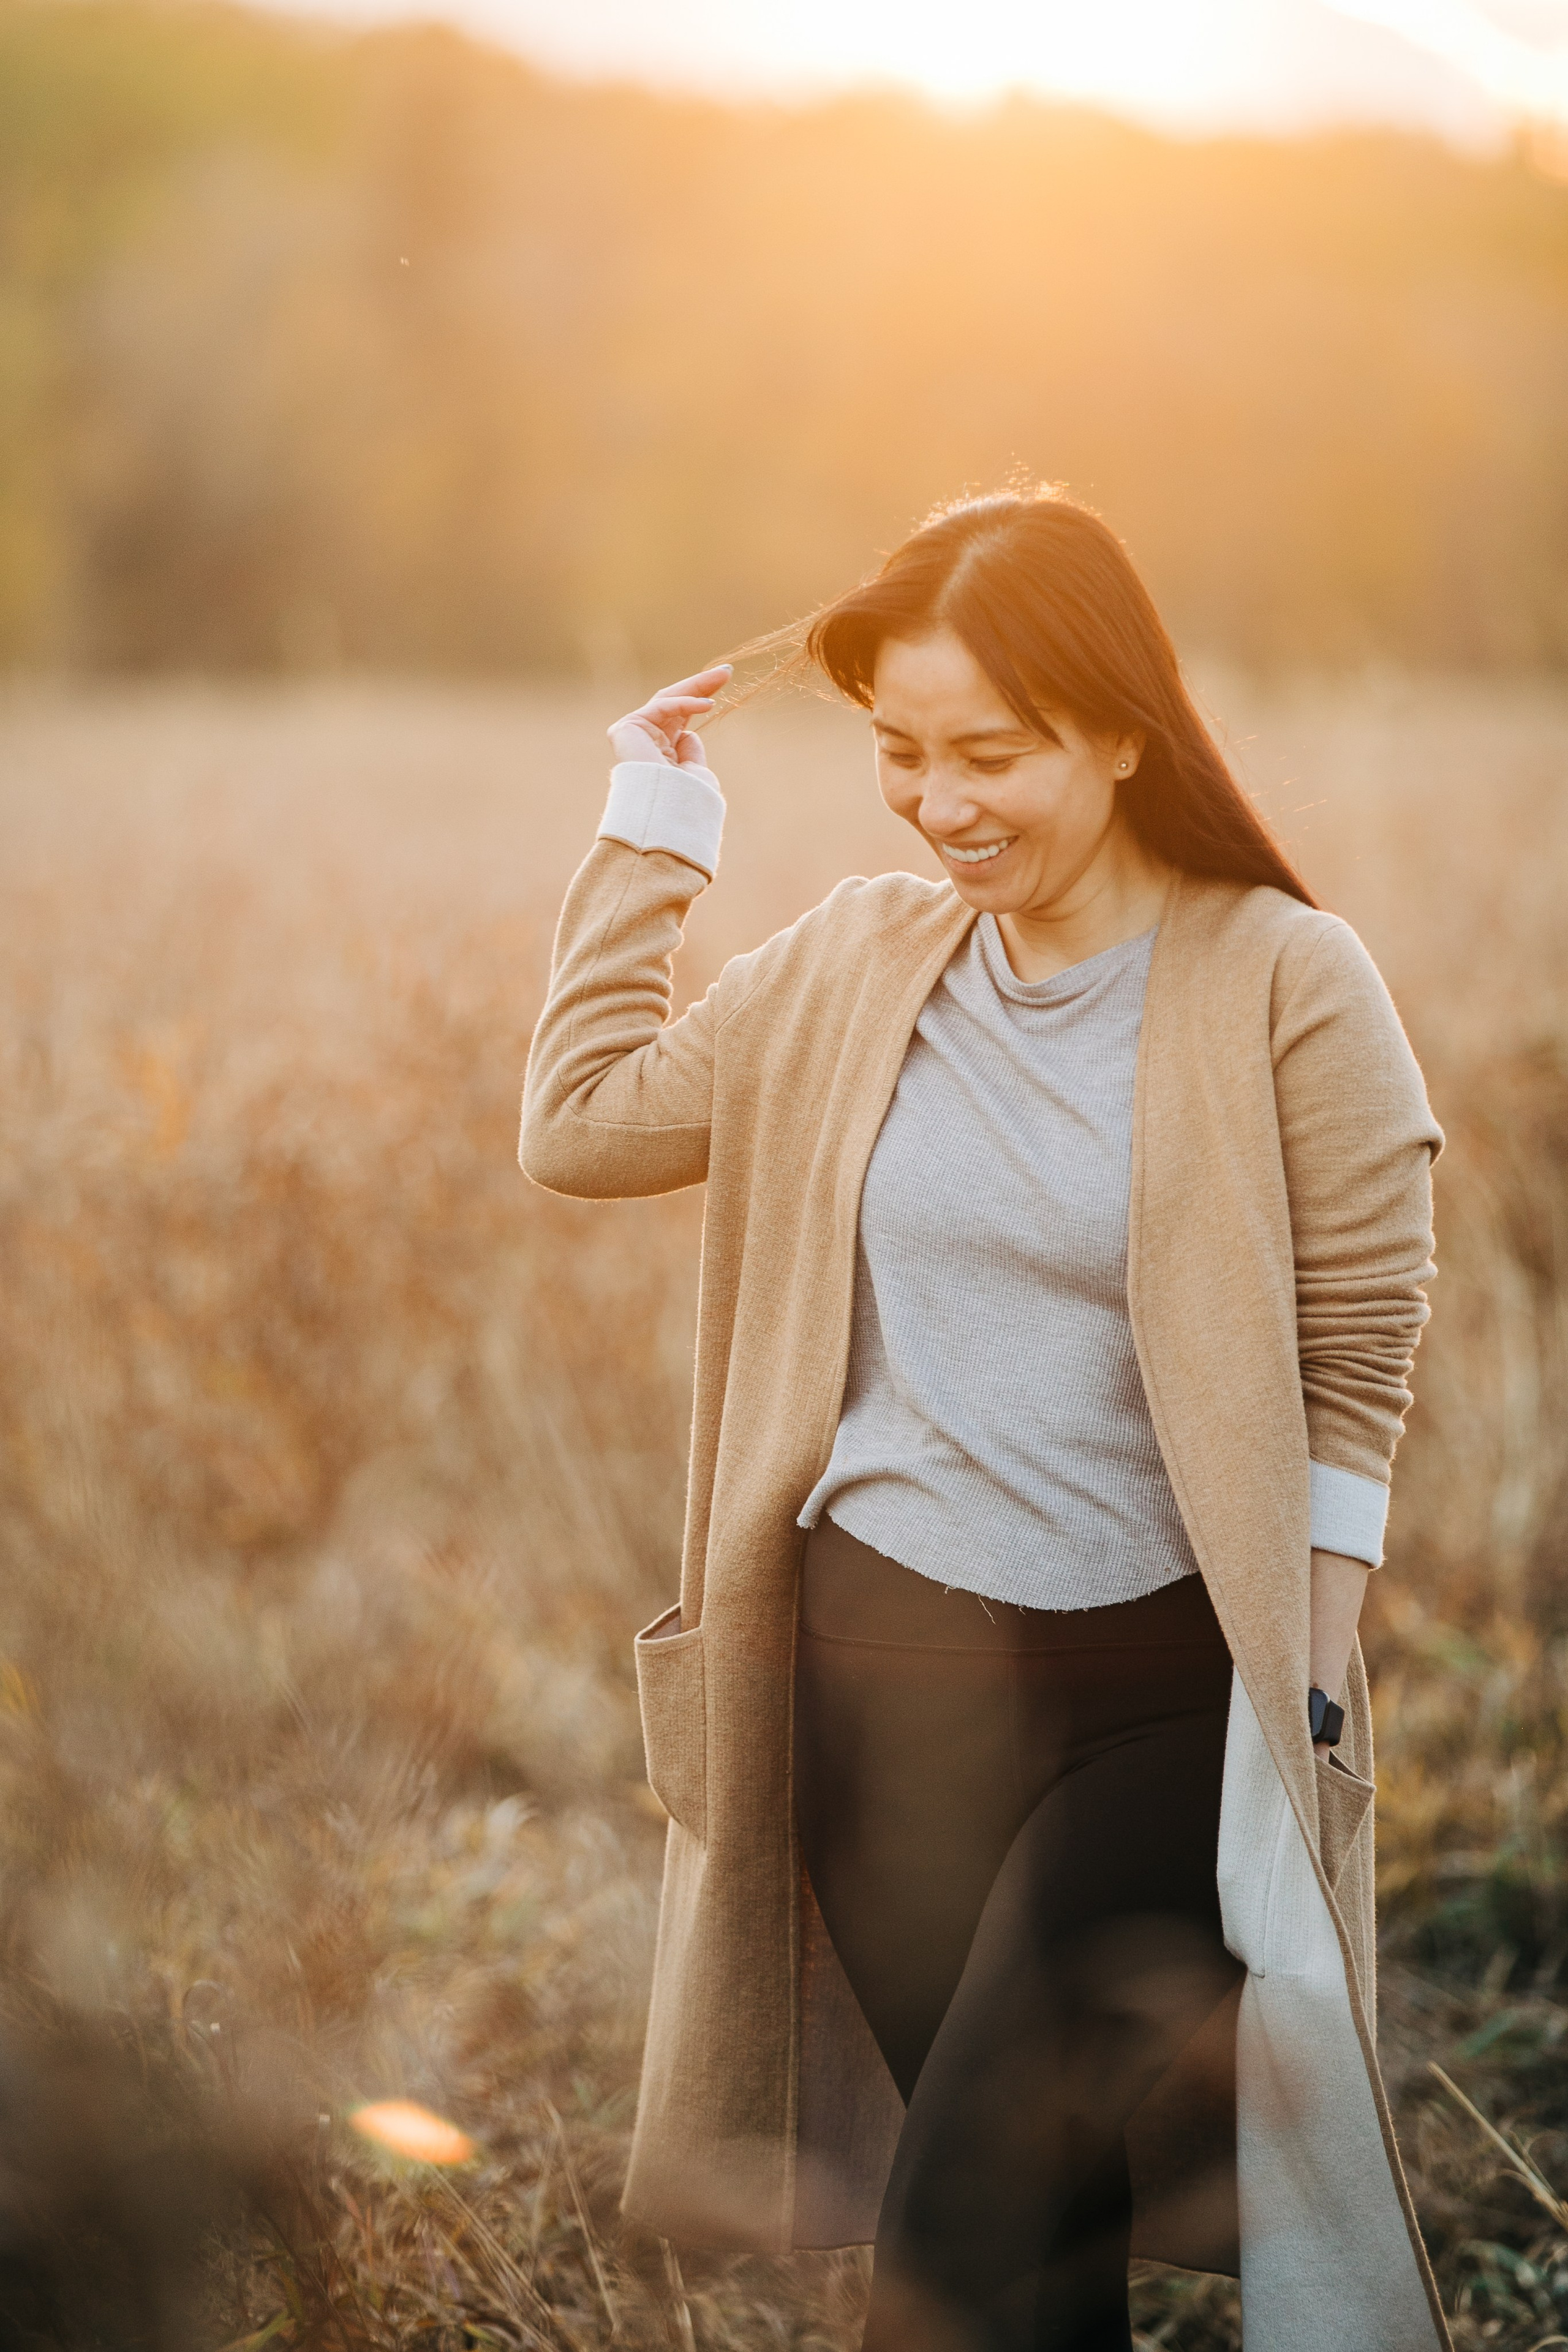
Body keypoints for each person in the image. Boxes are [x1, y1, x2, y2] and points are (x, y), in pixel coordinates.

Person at [521, 488, 1449, 2352]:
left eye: (991, 755)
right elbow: (582, 1124)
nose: (942, 804)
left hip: (1158, 1705)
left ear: (1120, 729)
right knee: (1028, 2260)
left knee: (956, 2235)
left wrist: (1314, 1672)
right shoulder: (859, 961)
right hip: (874, 1696)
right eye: (900, 755)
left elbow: (1361, 1332)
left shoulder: (1282, 976)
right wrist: (656, 824)